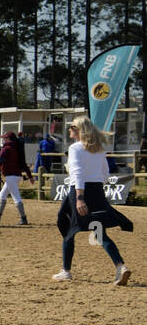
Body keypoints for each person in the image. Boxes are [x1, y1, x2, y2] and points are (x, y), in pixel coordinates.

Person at [54, 116, 133, 284]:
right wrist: (96, 189)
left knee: (68, 227)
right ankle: (120, 267)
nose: (69, 129)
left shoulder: (75, 148)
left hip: (79, 191)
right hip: (97, 191)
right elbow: (105, 173)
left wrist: (81, 197)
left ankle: (66, 271)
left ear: (78, 129)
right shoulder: (99, 149)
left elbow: (78, 173)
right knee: (99, 231)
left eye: (72, 127)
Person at [0, 131, 34, 225]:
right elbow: (24, 164)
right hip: (16, 176)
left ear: (8, 139)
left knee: (16, 198)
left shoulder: (6, 149)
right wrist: (30, 176)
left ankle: (23, 219)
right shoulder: (16, 148)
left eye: (4, 138)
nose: (3, 140)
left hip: (11, 176)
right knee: (2, 194)